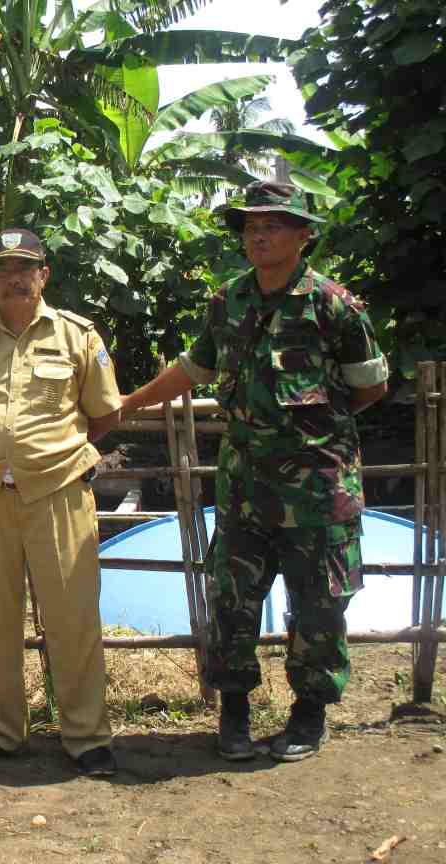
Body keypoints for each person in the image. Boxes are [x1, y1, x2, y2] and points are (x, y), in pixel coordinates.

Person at [120, 182, 389, 762]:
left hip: (317, 491)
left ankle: (309, 716)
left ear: (303, 235)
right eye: (249, 227)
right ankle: (234, 714)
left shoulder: (333, 305)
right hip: (244, 490)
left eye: (272, 225)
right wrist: (129, 403)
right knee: (232, 601)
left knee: (319, 606)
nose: (258, 236)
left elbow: (370, 386)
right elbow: (195, 367)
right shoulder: (229, 301)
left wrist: (312, 435)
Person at [0, 228, 121, 778]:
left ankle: (86, 737)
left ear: (44, 274)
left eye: (24, 267)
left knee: (72, 618)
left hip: (58, 492)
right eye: (1, 268)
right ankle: (2, 732)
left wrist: (49, 453)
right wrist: (0, 452)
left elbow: (104, 411)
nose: (13, 278)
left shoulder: (77, 335)